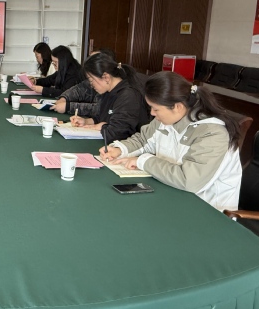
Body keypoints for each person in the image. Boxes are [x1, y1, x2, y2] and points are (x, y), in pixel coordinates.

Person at [99, 71, 242, 211]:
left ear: (177, 107)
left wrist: (143, 161)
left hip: (207, 210)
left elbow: (189, 180)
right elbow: (144, 139)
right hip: (172, 194)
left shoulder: (212, 133)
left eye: (156, 109)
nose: (152, 113)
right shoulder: (167, 119)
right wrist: (120, 149)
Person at [70, 53, 149, 142]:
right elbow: (103, 118)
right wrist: (86, 121)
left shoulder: (128, 96)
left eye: (91, 81)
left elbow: (116, 134)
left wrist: (102, 126)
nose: (91, 85)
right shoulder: (108, 92)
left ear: (106, 77)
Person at [50, 48, 116, 116]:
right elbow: (78, 89)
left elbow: (98, 109)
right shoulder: (93, 80)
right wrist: (64, 98)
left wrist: (68, 107)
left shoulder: (115, 89)